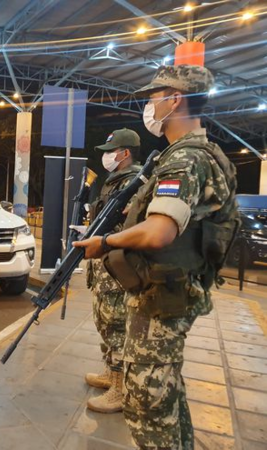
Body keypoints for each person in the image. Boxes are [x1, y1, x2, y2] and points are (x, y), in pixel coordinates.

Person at [74, 65, 238, 449]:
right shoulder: (199, 154)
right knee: (167, 393)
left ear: (175, 99)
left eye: (153, 98)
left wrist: (106, 242)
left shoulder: (186, 159)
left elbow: (159, 231)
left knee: (147, 402)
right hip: (171, 289)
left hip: (164, 297)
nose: (149, 107)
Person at [85, 129, 141, 414]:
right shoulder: (114, 182)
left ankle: (120, 389)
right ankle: (110, 373)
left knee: (117, 325)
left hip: (117, 266)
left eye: (111, 151)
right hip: (103, 264)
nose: (106, 156)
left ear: (125, 153)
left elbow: (132, 227)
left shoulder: (135, 182)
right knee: (104, 321)